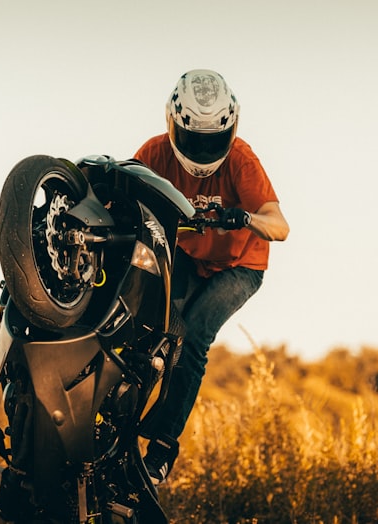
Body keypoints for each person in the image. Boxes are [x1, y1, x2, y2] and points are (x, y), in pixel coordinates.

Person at [133, 69, 290, 485]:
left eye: (212, 141)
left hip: (240, 265)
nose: (203, 151)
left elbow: (281, 226)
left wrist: (247, 217)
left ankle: (163, 446)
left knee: (193, 335)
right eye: (194, 140)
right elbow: (118, 198)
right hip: (187, 255)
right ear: (173, 124)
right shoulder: (154, 154)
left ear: (231, 129)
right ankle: (118, 428)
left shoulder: (241, 160)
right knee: (150, 328)